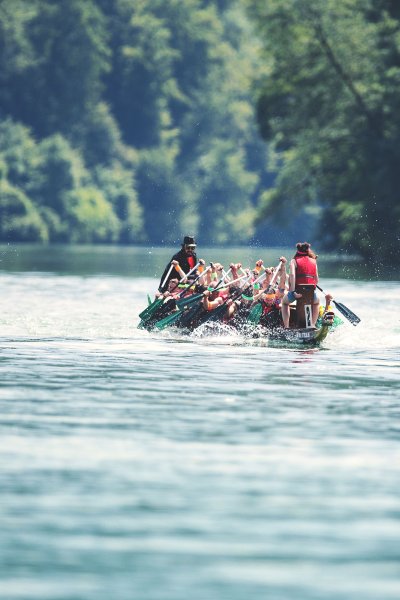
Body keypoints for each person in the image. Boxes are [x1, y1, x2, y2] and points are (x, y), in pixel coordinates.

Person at [281, 242, 319, 328]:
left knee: (284, 303)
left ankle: (286, 327)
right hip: (310, 293)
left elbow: (292, 276)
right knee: (316, 303)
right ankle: (312, 325)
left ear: (297, 251)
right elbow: (316, 280)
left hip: (298, 292)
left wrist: (293, 291)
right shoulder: (314, 261)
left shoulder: (293, 261)